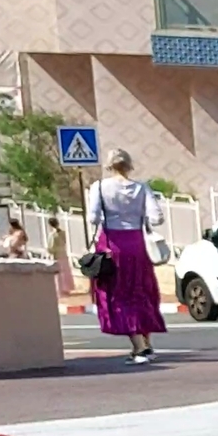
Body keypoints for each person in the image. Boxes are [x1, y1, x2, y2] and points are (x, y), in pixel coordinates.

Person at [85, 148, 168, 363]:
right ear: (129, 165)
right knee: (141, 291)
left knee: (117, 294)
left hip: (112, 244)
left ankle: (139, 347)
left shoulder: (100, 187)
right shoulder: (142, 188)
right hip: (137, 244)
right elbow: (157, 217)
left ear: (110, 165)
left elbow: (92, 218)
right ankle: (147, 343)